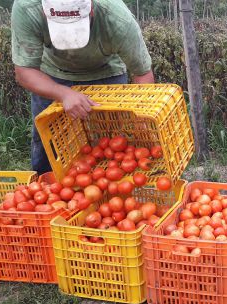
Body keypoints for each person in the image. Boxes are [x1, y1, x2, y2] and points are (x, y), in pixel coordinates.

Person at [11, 0, 155, 174]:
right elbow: (25, 71)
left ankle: (108, 193)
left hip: (106, 75)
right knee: (50, 145)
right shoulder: (28, 8)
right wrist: (63, 94)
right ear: (44, 12)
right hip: (51, 76)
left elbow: (142, 73)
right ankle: (48, 187)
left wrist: (142, 118)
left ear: (92, 9)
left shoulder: (117, 19)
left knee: (110, 146)